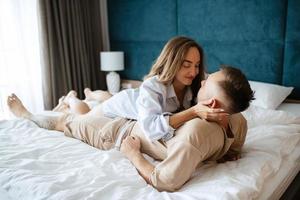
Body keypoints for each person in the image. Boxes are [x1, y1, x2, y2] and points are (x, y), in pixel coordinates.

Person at [7, 65, 254, 192]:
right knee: (92, 109)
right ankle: (79, 99)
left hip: (118, 133)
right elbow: (235, 145)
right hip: (132, 116)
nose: (202, 78)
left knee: (68, 121)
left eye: (208, 80)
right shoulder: (238, 120)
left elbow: (165, 181)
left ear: (210, 104)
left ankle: (44, 110)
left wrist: (133, 154)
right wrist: (228, 151)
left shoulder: (194, 136)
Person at [51, 36, 229, 142]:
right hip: (122, 103)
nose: (193, 71)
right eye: (186, 65)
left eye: (197, 65)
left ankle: (90, 93)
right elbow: (151, 127)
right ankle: (70, 98)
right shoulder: (154, 86)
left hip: (133, 100)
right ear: (172, 63)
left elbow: (222, 96)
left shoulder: (198, 82)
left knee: (105, 96)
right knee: (84, 114)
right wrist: (193, 111)